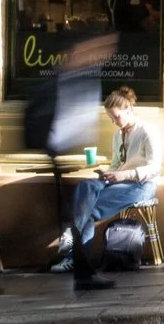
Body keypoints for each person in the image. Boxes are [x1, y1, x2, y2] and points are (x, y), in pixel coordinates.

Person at [28, 27, 117, 269]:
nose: (103, 54)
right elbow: (49, 117)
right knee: (80, 199)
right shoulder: (65, 79)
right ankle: (72, 244)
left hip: (67, 150)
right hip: (57, 147)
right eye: (99, 48)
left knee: (83, 199)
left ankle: (74, 250)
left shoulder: (84, 77)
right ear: (78, 51)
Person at [69, 87, 162, 289]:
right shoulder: (118, 136)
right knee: (86, 188)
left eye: (116, 117)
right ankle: (76, 257)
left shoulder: (146, 131)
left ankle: (73, 255)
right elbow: (116, 163)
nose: (114, 122)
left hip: (141, 184)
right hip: (120, 182)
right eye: (111, 118)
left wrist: (124, 175)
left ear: (128, 109)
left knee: (89, 211)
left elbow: (154, 168)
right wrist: (109, 173)